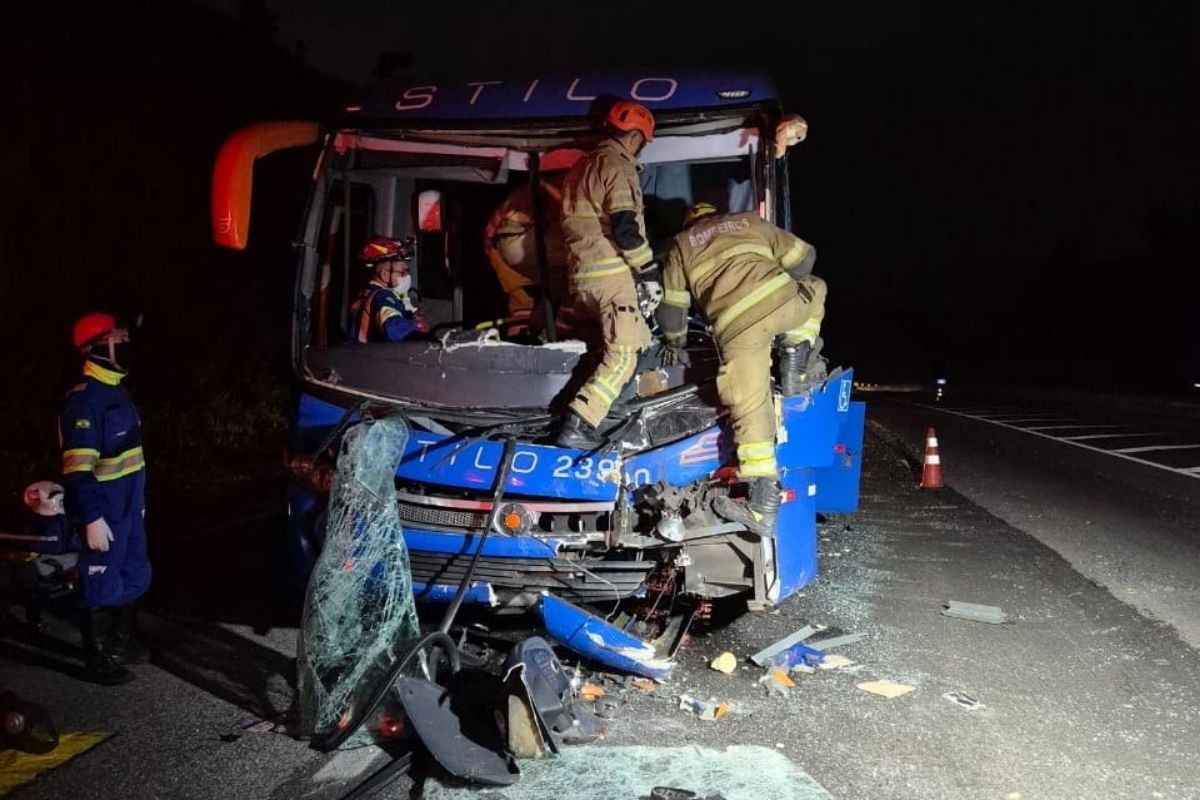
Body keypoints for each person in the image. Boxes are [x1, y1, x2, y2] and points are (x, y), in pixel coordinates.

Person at [655, 203, 827, 537]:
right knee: (815, 286)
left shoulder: (681, 243)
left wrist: (675, 343)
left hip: (737, 327)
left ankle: (763, 507)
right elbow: (805, 258)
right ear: (717, 214)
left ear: (691, 223)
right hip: (783, 303)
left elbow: (672, 311)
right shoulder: (749, 221)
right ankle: (794, 355)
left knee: (750, 408)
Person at [555, 100, 661, 448]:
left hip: (581, 279)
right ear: (633, 138)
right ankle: (580, 422)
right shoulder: (617, 166)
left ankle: (602, 417)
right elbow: (625, 227)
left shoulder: (578, 169)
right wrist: (648, 271)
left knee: (605, 348)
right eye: (642, 141)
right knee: (625, 353)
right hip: (612, 277)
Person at [59, 313, 152, 684]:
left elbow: (132, 457)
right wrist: (93, 518)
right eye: (119, 340)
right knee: (99, 581)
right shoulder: (84, 403)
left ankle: (122, 641)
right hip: (105, 512)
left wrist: (139, 502)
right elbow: (79, 471)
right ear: (98, 347)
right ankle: (97, 659)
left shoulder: (116, 391)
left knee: (133, 573)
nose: (127, 346)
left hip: (128, 508)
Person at [483, 172, 570, 317]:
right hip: (517, 244)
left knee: (559, 286)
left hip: (517, 252)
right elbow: (571, 210)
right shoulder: (528, 193)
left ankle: (535, 331)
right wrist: (544, 185)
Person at [349, 235, 427, 343]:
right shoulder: (383, 295)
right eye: (402, 272)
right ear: (385, 275)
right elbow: (393, 328)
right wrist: (422, 337)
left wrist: (410, 318)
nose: (407, 276)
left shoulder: (366, 293)